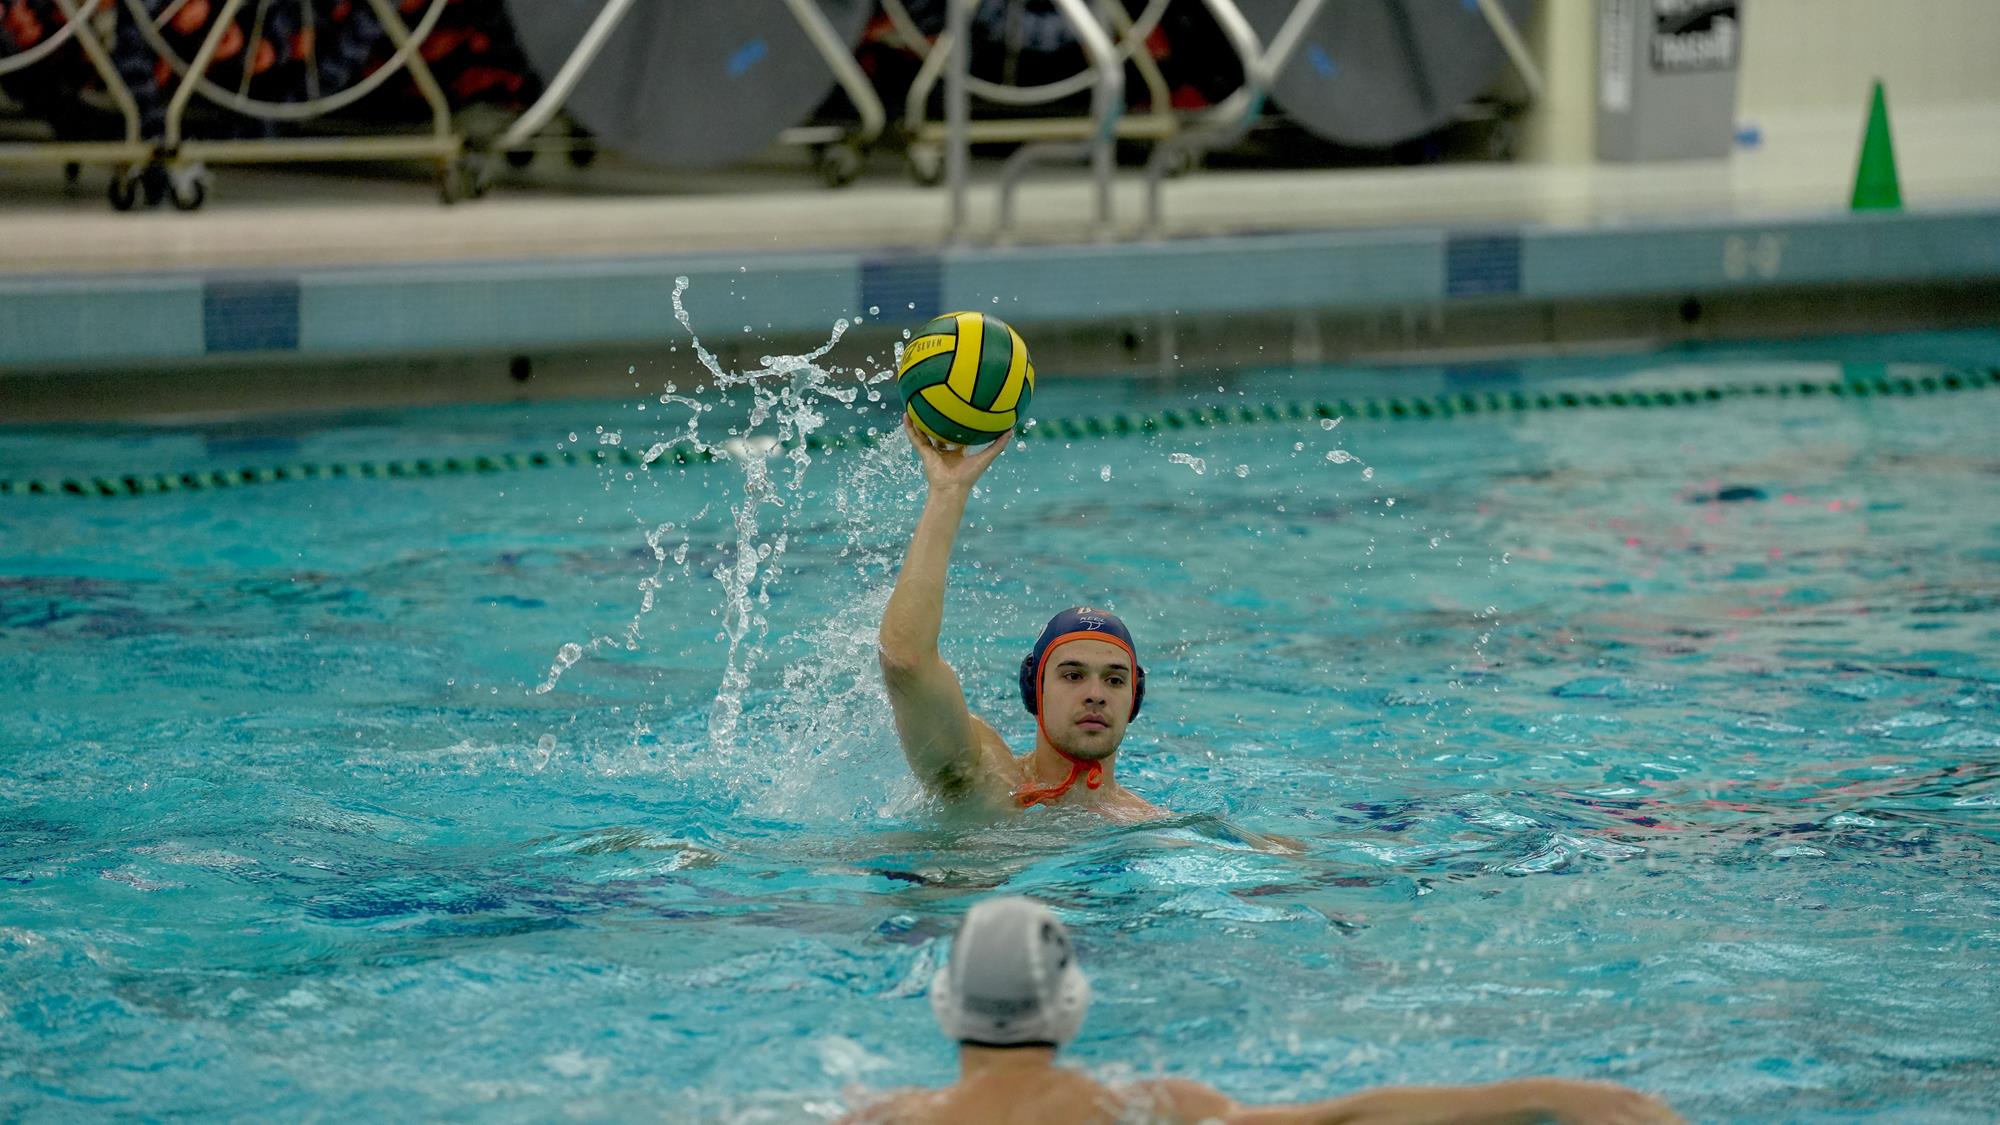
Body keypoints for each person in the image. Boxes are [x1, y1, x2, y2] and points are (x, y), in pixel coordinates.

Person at [838, 896, 1685, 1125]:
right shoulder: (1145, 1106)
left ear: (945, 1003)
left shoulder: (879, 1117)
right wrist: (1557, 1098)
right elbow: (1345, 1117)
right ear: (1071, 1004)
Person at [878, 421, 1165, 819]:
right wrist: (948, 492)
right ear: (1034, 690)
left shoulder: (1147, 825)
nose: (1096, 694)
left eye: (1115, 679)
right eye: (1072, 675)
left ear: (1135, 698)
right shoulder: (985, 780)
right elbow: (905, 661)